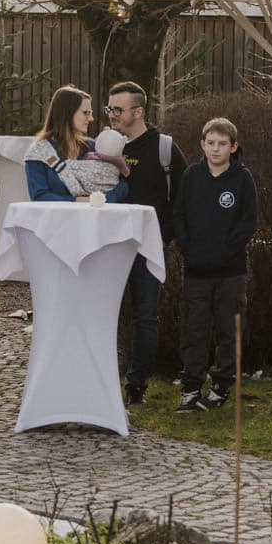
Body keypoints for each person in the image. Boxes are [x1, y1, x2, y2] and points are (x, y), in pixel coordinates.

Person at [169, 117, 259, 412]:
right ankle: (191, 388)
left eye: (222, 144)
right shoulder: (192, 176)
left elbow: (248, 222)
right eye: (211, 143)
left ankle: (220, 387)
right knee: (194, 329)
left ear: (233, 147)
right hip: (196, 269)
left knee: (228, 330)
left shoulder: (243, 179)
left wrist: (225, 251)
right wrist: (187, 247)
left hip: (231, 272)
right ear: (202, 145)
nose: (216, 149)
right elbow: (179, 214)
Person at [106, 81, 186, 406]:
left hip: (147, 249)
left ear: (138, 112)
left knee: (145, 317)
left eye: (118, 109)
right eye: (109, 108)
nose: (111, 115)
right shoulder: (107, 145)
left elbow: (182, 199)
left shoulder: (164, 148)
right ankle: (102, 382)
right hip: (108, 247)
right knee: (102, 314)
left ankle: (135, 387)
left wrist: (166, 237)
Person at [25, 86, 130, 202]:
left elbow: (121, 183)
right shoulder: (39, 152)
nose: (91, 118)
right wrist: (77, 200)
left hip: (95, 216)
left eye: (90, 113)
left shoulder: (93, 147)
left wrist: (104, 200)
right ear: (67, 113)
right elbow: (39, 196)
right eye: (86, 113)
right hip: (56, 218)